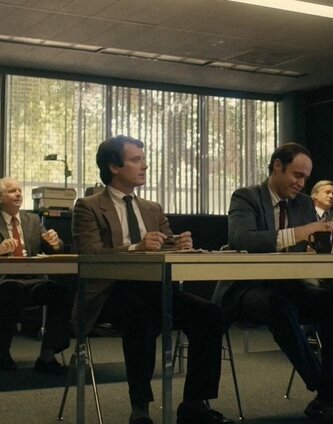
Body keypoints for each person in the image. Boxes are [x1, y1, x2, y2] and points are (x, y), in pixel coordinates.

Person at [73, 135, 233, 424]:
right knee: (139, 312)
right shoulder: (88, 206)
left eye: (143, 159)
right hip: (110, 294)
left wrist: (179, 245)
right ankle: (140, 407)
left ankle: (194, 405)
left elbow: (165, 245)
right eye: (136, 160)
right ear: (114, 167)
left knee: (210, 314)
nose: (145, 166)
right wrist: (136, 247)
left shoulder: (152, 208)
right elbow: (89, 254)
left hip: (156, 291)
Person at [213, 143, 333, 424]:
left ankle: (330, 395)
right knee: (279, 304)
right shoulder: (245, 197)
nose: (301, 183)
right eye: (297, 175)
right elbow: (242, 239)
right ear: (277, 167)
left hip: (289, 286)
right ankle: (322, 386)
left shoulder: (304, 203)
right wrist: (301, 233)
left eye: (306, 177)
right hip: (246, 288)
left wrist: (330, 241)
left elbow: (308, 248)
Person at [0, 177, 73, 375]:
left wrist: (55, 242)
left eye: (19, 190)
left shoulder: (33, 220)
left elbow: (53, 247)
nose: (18, 194)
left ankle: (47, 355)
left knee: (62, 293)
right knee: (13, 291)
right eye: (12, 191)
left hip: (33, 279)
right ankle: (2, 351)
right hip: (2, 281)